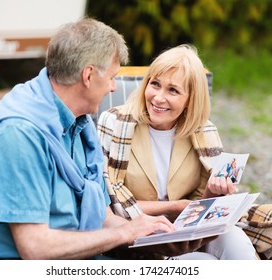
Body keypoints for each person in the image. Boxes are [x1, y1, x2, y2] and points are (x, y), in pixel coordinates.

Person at [0, 19, 214, 260]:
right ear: (88, 76)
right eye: (112, 77)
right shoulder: (18, 134)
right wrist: (125, 233)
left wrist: (156, 237)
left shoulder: (81, 125)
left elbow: (104, 219)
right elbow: (35, 248)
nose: (113, 87)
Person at [97, 44, 258, 260]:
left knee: (237, 242)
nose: (158, 98)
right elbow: (109, 200)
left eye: (173, 90)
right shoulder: (115, 123)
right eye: (155, 84)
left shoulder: (203, 131)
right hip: (138, 237)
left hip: (184, 231)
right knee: (206, 262)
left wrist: (213, 190)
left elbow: (201, 205)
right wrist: (174, 207)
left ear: (191, 99)